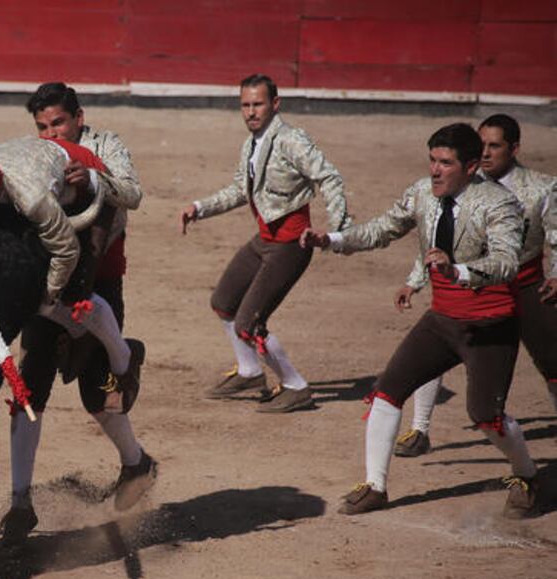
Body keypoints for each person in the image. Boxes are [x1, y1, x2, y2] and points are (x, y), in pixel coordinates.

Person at [301, 123, 541, 518]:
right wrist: (332, 240)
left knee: (485, 417)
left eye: (445, 163)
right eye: (432, 160)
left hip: (489, 325)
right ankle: (375, 485)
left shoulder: (499, 203)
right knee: (387, 390)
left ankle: (527, 475)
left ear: (470, 166)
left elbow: (505, 261)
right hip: (443, 318)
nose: (434, 170)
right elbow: (382, 229)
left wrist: (457, 270)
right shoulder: (421, 195)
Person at [0, 82, 157, 544]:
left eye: (59, 124)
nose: (51, 135)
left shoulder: (104, 146)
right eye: (42, 127)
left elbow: (132, 193)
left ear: (79, 117)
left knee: (99, 395)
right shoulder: (34, 154)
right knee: (28, 388)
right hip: (46, 282)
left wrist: (91, 178)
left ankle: (136, 463)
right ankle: (20, 501)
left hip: (97, 279)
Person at [180, 73, 351, 413]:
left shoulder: (291, 140)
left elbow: (329, 176)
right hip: (265, 238)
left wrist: (339, 229)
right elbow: (239, 192)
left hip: (291, 244)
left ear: (275, 104)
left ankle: (296, 386)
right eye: (245, 105)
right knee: (223, 301)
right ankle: (249, 371)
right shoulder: (252, 143)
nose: (251, 112)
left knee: (248, 323)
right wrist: (199, 208)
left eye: (257, 104)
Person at [0, 137, 144, 421]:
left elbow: (67, 250)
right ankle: (76, 331)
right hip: (47, 190)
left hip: (93, 201)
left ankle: (122, 356)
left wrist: (47, 296)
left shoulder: (31, 197)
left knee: (64, 291)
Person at [392, 114, 557, 457]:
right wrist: (416, 279)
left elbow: (556, 237)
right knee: (435, 347)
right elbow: (434, 242)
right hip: (464, 283)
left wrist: (556, 272)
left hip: (526, 285)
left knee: (552, 361)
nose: (485, 153)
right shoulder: (457, 186)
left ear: (514, 149)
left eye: (494, 146)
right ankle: (419, 428)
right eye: (481, 145)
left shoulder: (541, 187)